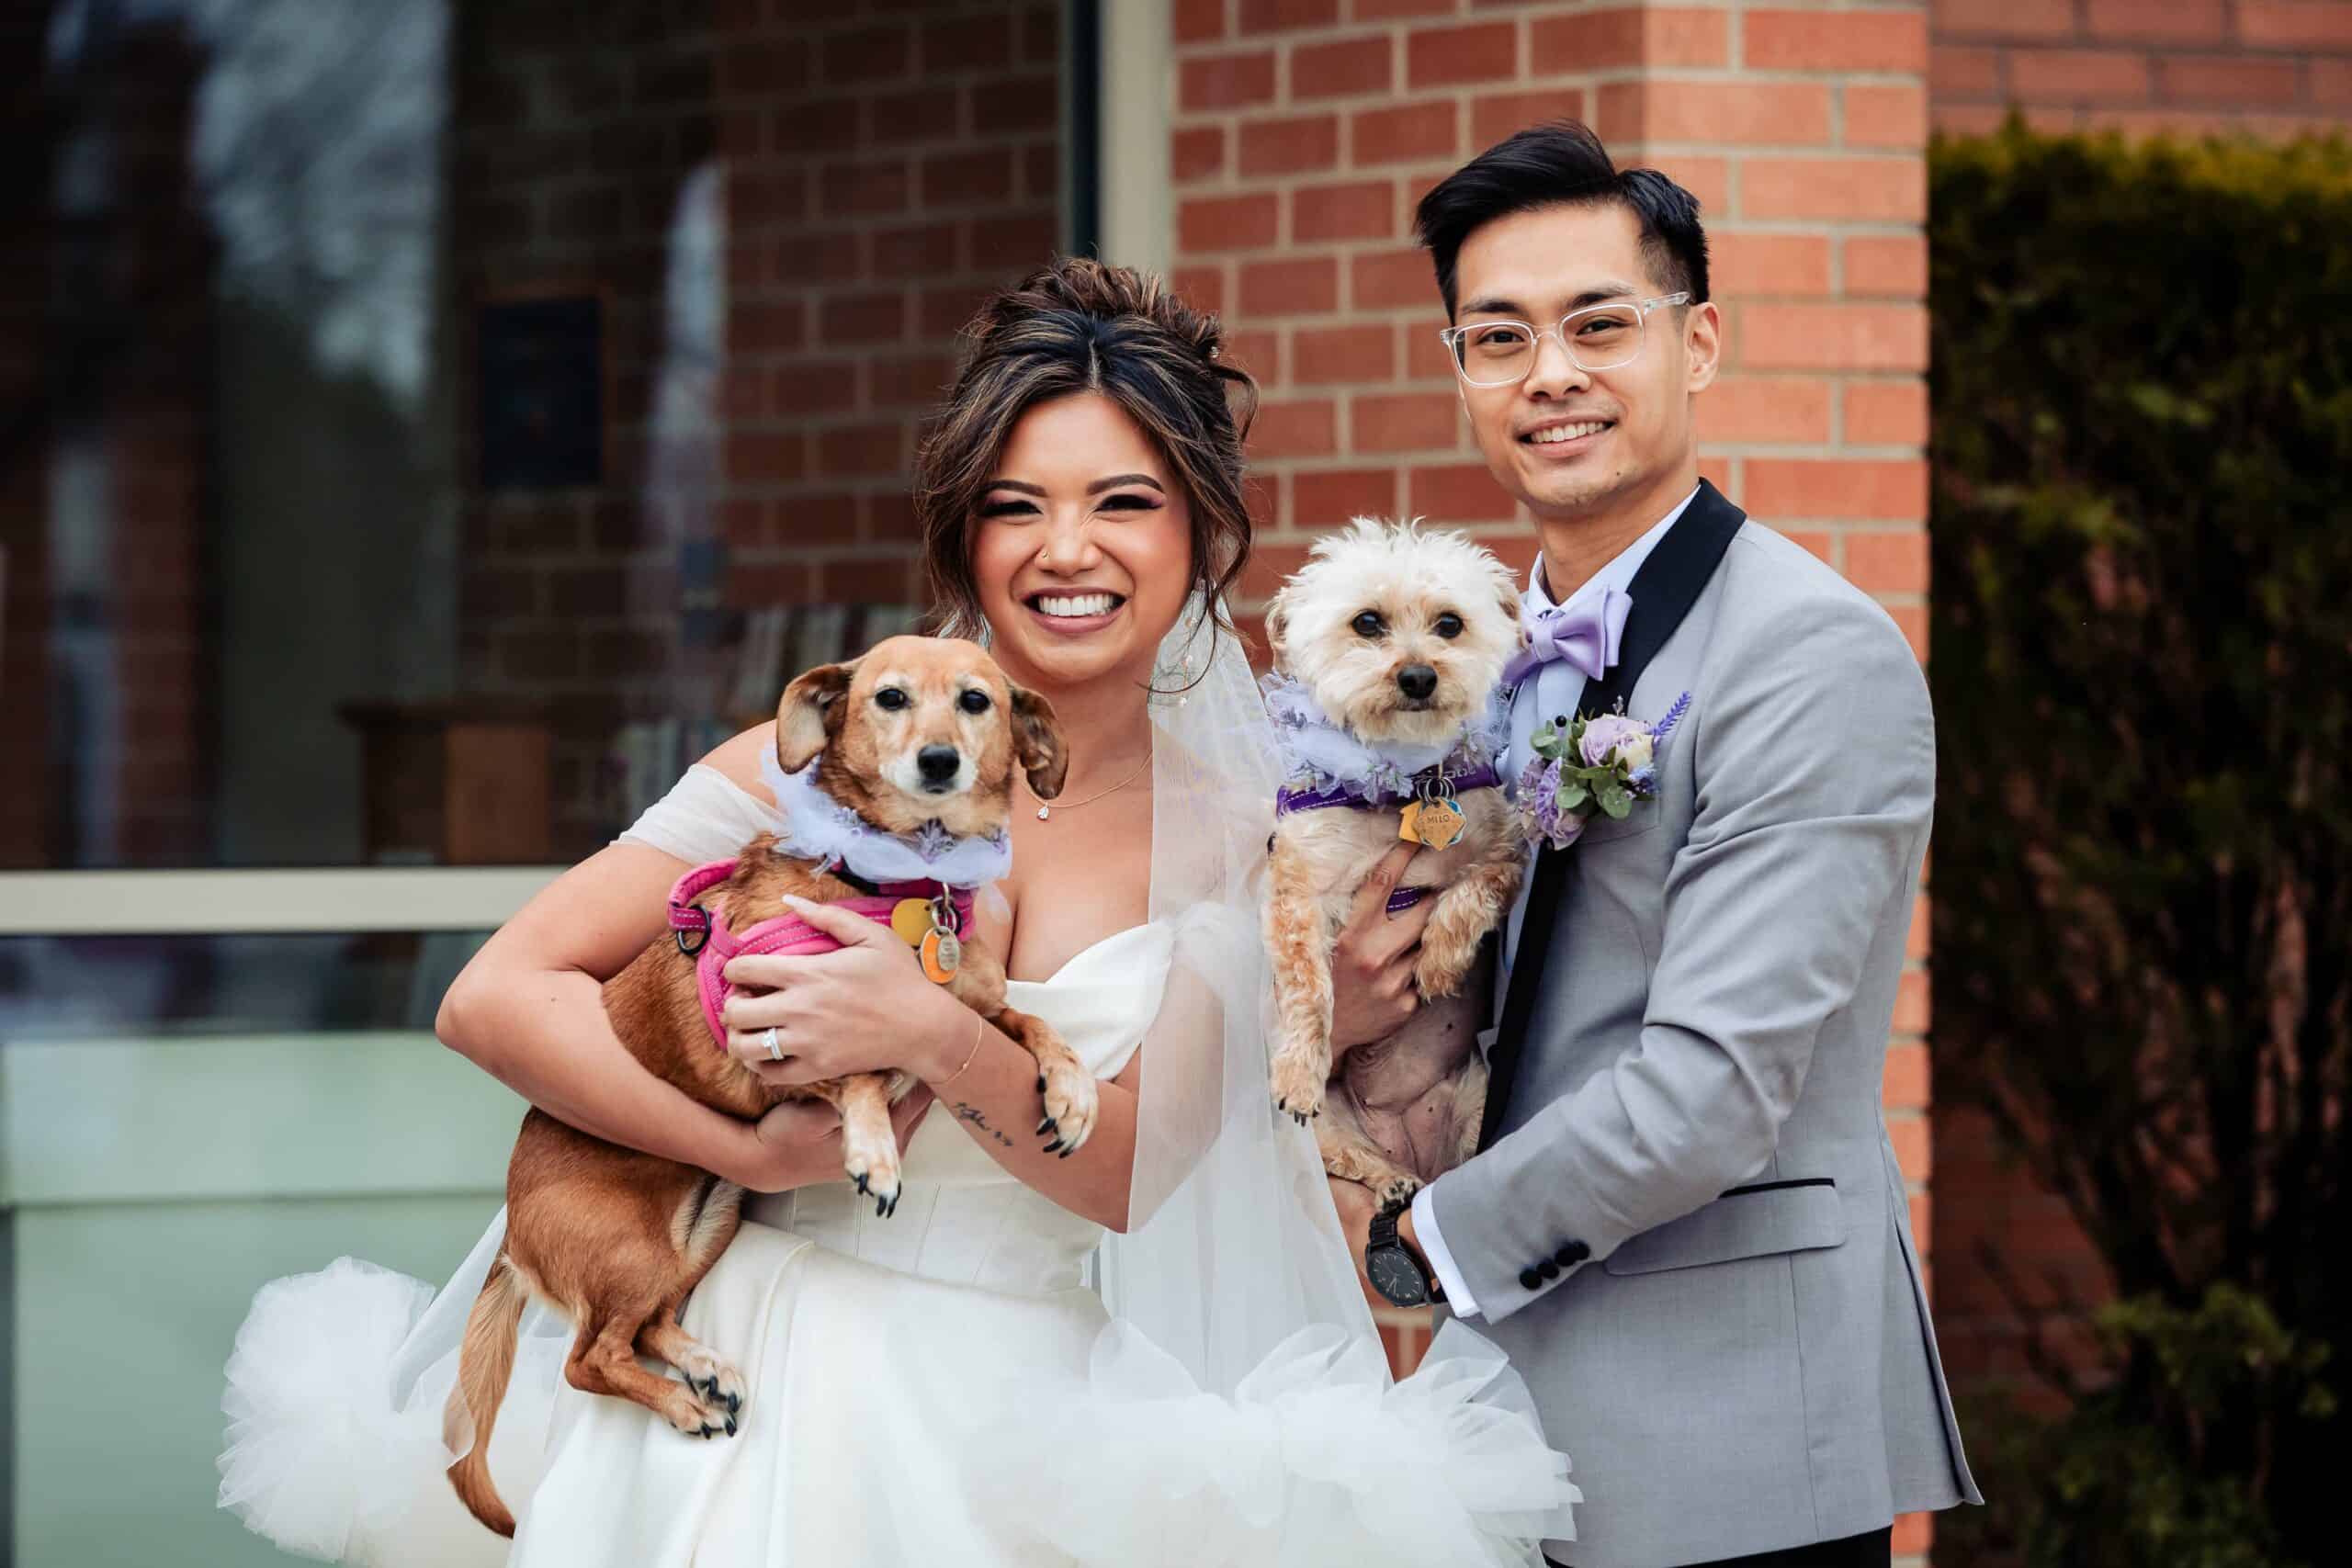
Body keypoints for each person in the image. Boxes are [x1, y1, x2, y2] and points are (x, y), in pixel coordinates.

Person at [217, 257, 1576, 1567]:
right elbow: (493, 998)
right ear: (963, 536)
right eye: (1014, 507)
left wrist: (930, 1036)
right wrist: (746, 1157)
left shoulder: (1247, 830)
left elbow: (1124, 1177)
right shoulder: (805, 769)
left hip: (1016, 1421)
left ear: (1201, 532)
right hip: (742, 1373)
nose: (1067, 550)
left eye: (1123, 502)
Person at [1322, 121, 1983, 1568]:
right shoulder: (1479, 659)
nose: (1549, 373)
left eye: (1598, 324)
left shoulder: (1807, 654)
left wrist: (1425, 1241)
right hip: (1503, 1426)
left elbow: (1716, 1087)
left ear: (1700, 343)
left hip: (1726, 1434)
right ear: (1461, 373)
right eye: (1499, 338)